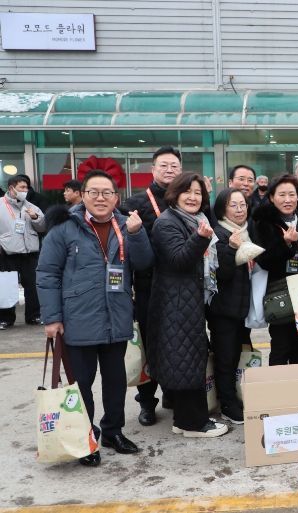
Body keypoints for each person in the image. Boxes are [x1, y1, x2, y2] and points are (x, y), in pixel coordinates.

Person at [36, 170, 154, 466]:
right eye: (94, 192)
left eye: (107, 193)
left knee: (115, 381)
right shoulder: (64, 227)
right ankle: (85, 437)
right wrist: (52, 318)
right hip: (78, 320)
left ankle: (113, 432)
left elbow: (144, 264)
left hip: (116, 317)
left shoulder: (127, 225)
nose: (100, 198)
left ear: (116, 197)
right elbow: (47, 274)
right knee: (82, 385)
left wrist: (137, 234)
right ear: (83, 195)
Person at [146, 173, 228, 438]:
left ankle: (185, 419)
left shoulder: (196, 219)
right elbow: (178, 259)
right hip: (176, 302)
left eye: (198, 192)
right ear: (175, 194)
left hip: (187, 300)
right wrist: (200, 238)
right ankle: (193, 424)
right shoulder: (167, 222)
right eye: (187, 191)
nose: (193, 197)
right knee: (185, 359)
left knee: (188, 358)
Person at [122, 146, 183, 427]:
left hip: (181, 286)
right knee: (148, 346)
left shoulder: (187, 199)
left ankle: (173, 392)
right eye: (164, 165)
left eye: (174, 166)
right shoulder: (135, 203)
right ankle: (147, 402)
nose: (169, 170)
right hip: (149, 287)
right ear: (153, 169)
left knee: (177, 343)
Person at [252, 174, 298, 365]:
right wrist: (285, 243)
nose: (287, 200)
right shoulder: (263, 222)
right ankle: (278, 383)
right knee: (281, 345)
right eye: (282, 195)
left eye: (292, 194)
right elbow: (264, 260)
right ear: (272, 197)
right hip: (280, 292)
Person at [207, 188, 254, 424]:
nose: (239, 209)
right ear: (222, 209)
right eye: (233, 205)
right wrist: (232, 248)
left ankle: (236, 396)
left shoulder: (246, 231)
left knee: (239, 355)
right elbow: (221, 274)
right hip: (223, 309)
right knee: (226, 358)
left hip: (242, 307)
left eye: (242, 204)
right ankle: (227, 403)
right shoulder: (219, 233)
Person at [0, 175, 46, 330]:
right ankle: (6, 318)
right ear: (11, 188)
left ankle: (34, 315)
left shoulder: (31, 206)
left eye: (27, 187)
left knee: (32, 285)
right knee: (7, 286)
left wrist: (35, 217)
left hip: (29, 252)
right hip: (8, 252)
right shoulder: (1, 205)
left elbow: (43, 227)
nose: (25, 190)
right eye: (22, 187)